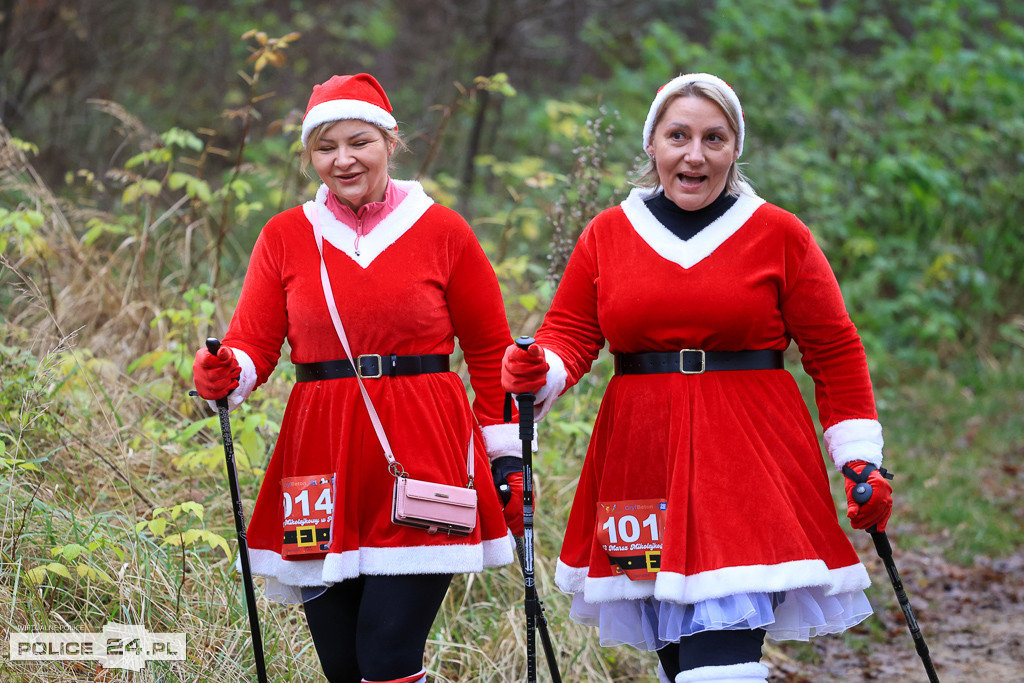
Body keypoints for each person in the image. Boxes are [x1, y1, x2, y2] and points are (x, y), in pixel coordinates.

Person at [501, 73, 894, 683]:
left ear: (735, 149)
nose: (695, 154)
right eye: (678, 135)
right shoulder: (609, 232)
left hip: (748, 460)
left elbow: (834, 348)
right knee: (680, 665)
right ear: (651, 144)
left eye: (714, 138)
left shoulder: (778, 233)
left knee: (720, 669)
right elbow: (573, 334)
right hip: (641, 457)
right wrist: (540, 368)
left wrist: (860, 459)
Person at [192, 73, 524, 683]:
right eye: (325, 147)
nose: (342, 160)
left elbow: (491, 356)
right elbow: (254, 344)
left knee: (387, 652)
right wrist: (226, 369)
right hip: (319, 457)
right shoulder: (286, 236)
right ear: (308, 155)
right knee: (342, 664)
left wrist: (505, 458)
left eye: (359, 142)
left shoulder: (443, 231)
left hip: (424, 452)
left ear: (389, 142)